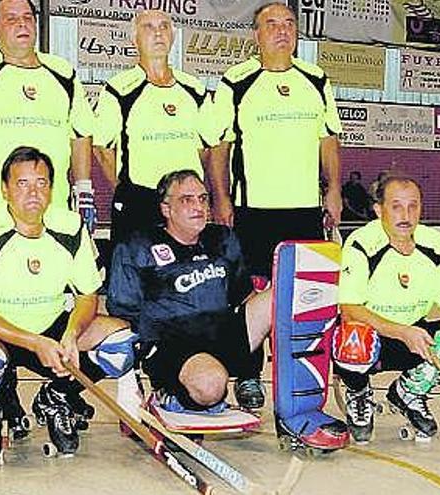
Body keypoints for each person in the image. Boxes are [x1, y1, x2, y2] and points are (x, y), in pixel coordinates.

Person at [108, 170, 348, 451]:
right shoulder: (136, 246)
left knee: (286, 294)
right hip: (171, 345)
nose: (199, 207)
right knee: (210, 386)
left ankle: (295, 412)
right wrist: (129, 382)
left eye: (203, 198)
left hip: (222, 333)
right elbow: (123, 317)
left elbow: (245, 296)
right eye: (187, 200)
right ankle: (171, 397)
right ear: (166, 208)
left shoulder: (221, 238)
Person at [0, 146, 134, 468]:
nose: (33, 192)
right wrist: (34, 342)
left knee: (122, 343)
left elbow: (88, 295)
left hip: (51, 327)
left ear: (52, 188)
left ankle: (59, 396)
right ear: (4, 188)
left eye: (42, 183)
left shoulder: (70, 226)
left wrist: (71, 335)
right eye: (22, 183)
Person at [205, 1, 343, 408]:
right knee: (250, 299)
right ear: (256, 35)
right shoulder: (236, 82)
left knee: (306, 300)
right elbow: (219, 146)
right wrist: (222, 198)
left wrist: (333, 189)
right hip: (253, 213)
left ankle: (302, 380)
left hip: (304, 213)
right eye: (271, 24)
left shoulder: (317, 81)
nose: (282, 31)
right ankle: (248, 376)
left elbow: (328, 140)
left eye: (288, 24)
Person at [335, 175, 440, 443]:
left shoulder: (435, 244)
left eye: (413, 206)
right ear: (379, 210)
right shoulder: (361, 243)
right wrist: (402, 333)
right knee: (352, 341)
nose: (406, 215)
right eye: (396, 206)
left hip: (417, 336)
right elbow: (350, 309)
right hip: (375, 335)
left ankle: (410, 390)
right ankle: (358, 392)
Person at [0, 0, 97, 231]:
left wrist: (84, 190)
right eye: (11, 19)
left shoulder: (64, 73)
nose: (21, 25)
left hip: (55, 214)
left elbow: (81, 135)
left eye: (27, 18)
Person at [93, 9, 212, 246]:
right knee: (137, 278)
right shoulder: (118, 89)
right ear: (134, 39)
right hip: (139, 202)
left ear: (173, 36)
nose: (158, 33)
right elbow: (102, 150)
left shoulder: (195, 89)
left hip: (186, 204)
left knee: (185, 273)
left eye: (164, 26)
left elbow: (206, 149)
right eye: (149, 27)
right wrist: (126, 191)